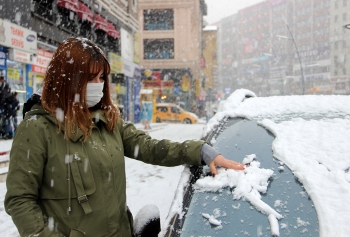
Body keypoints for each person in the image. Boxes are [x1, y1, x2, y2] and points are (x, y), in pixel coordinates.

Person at [4, 38, 245, 237]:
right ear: (68, 79)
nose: (98, 85)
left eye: (101, 78)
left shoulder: (107, 120)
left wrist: (200, 151)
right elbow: (20, 200)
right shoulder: (37, 129)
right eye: (90, 78)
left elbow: (150, 147)